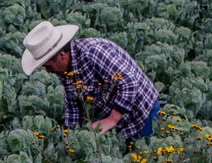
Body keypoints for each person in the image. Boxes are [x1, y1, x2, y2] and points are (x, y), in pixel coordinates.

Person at [21, 21, 160, 144]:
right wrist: (71, 138)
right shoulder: (65, 70)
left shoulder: (93, 52)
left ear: (62, 55)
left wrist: (112, 119)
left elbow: (129, 83)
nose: (48, 71)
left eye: (48, 66)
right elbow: (73, 107)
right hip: (115, 113)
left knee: (148, 157)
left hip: (142, 110)